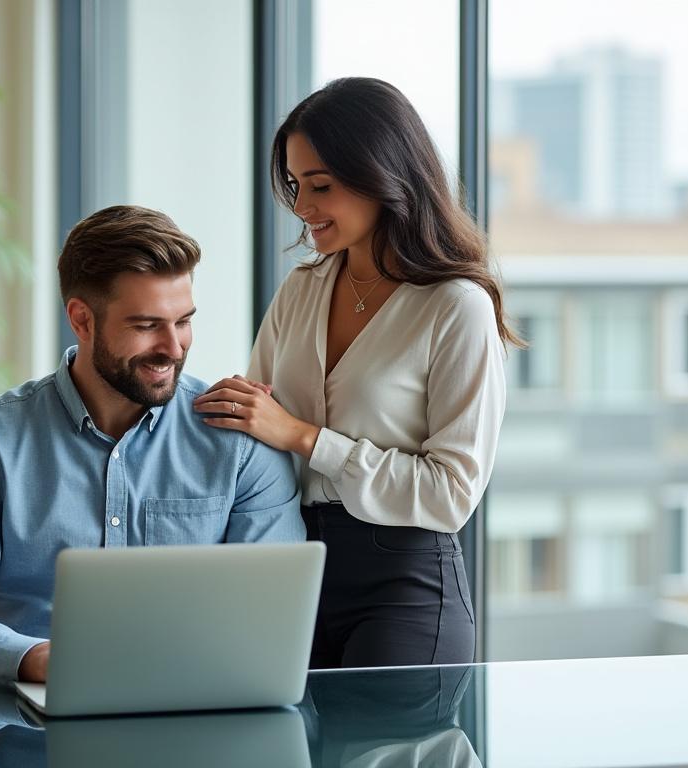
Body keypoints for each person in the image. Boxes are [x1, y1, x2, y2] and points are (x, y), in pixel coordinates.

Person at [194, 77, 520, 668]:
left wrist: (304, 437)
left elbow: (451, 495)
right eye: (296, 185)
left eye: (321, 185)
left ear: (384, 174)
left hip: (402, 588)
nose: (301, 206)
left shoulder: (456, 306)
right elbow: (256, 428)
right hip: (288, 573)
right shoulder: (301, 289)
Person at [0, 204, 305, 684]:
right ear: (82, 320)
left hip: (196, 713)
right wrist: (41, 661)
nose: (174, 347)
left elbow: (271, 613)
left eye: (183, 321)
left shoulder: (241, 440)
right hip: (26, 716)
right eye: (145, 326)